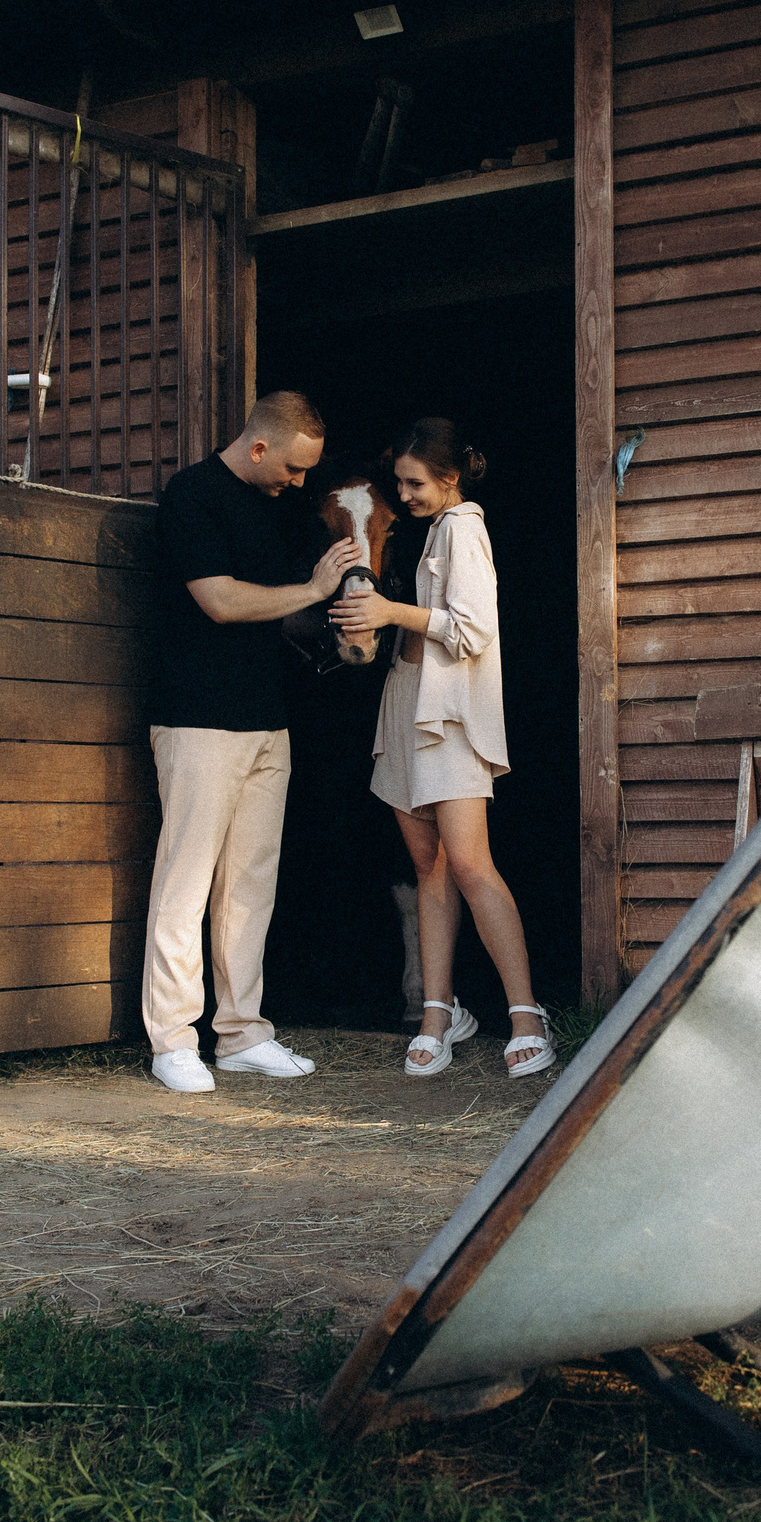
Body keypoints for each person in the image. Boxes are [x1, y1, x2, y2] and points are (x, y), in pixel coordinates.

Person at [142, 391, 363, 1093]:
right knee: (186, 883)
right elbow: (222, 600)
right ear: (260, 446)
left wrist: (339, 626)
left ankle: (241, 1034)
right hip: (199, 717)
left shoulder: (277, 506)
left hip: (269, 719)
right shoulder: (192, 494)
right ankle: (173, 1041)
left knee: (249, 886)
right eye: (294, 469)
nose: (300, 483)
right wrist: (312, 588)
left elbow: (277, 619)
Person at [330, 419, 553, 1078]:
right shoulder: (430, 532)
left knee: (470, 865)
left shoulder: (463, 529)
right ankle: (438, 1013)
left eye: (414, 482)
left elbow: (472, 630)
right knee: (428, 868)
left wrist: (390, 614)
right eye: (399, 482)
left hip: (449, 719)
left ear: (450, 478)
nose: (404, 493)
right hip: (408, 708)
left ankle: (526, 1016)